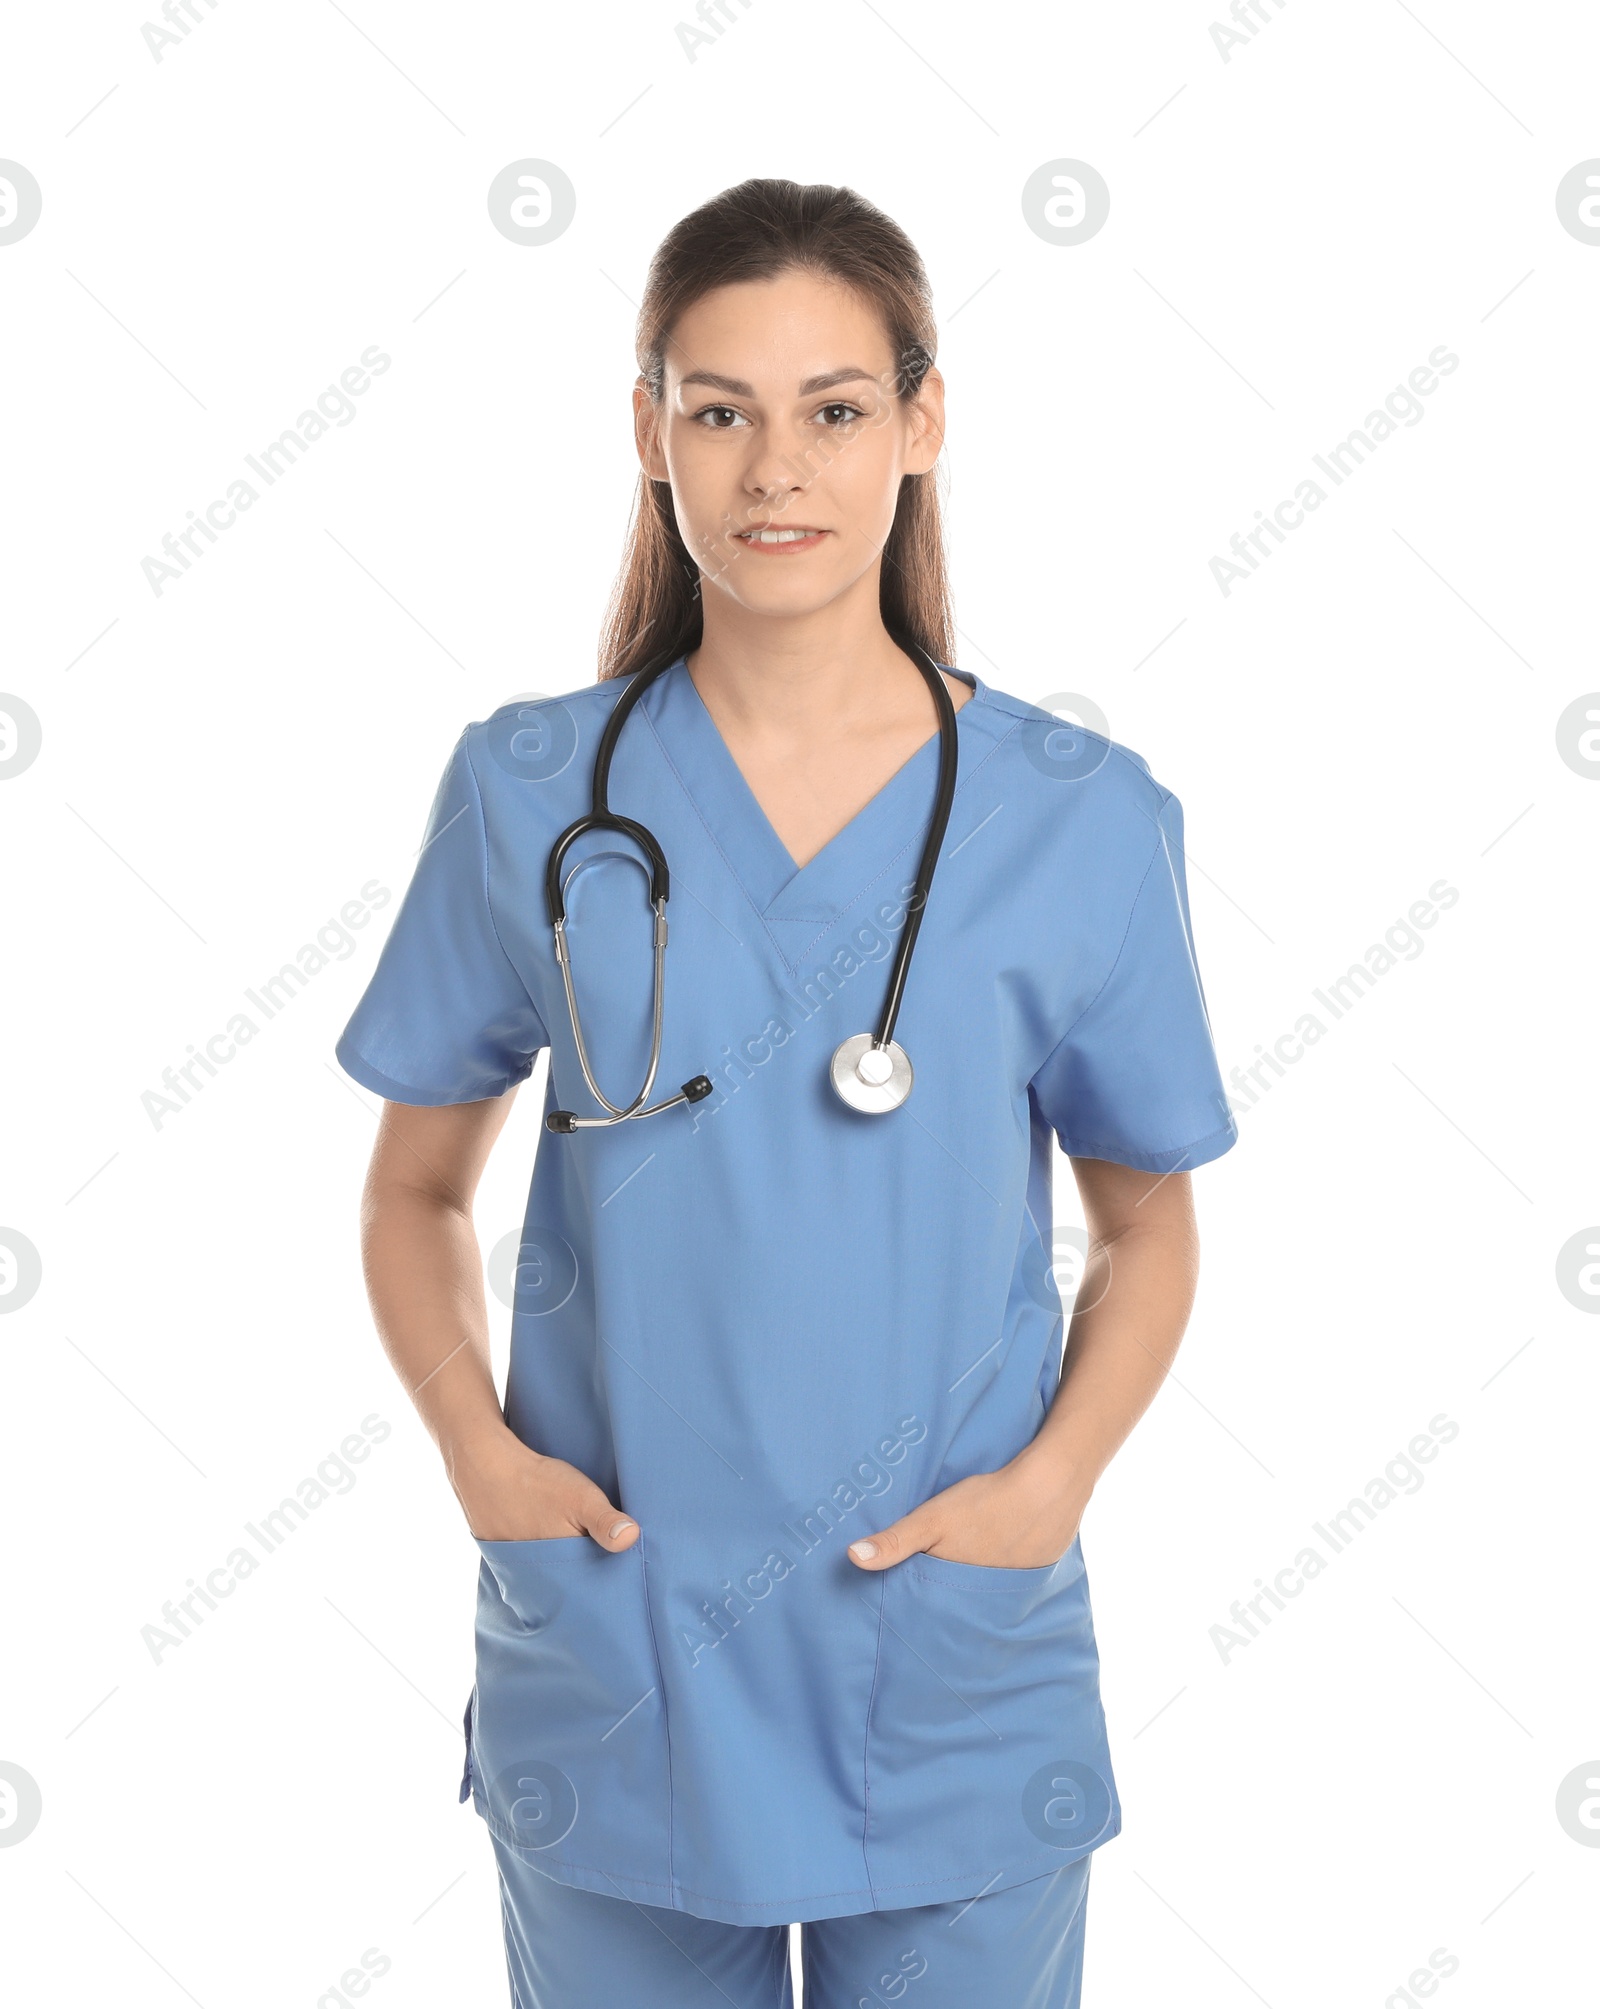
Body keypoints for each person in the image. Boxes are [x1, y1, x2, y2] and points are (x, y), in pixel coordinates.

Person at [335, 177, 1238, 2009]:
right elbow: (411, 1191)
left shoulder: (1079, 815)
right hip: (621, 1647)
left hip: (951, 1658)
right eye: (717, 408)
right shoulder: (527, 791)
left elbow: (1147, 1222)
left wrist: (1051, 1485)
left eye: (833, 409)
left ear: (919, 423)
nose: (774, 471)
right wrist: (477, 1458)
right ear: (647, 429)